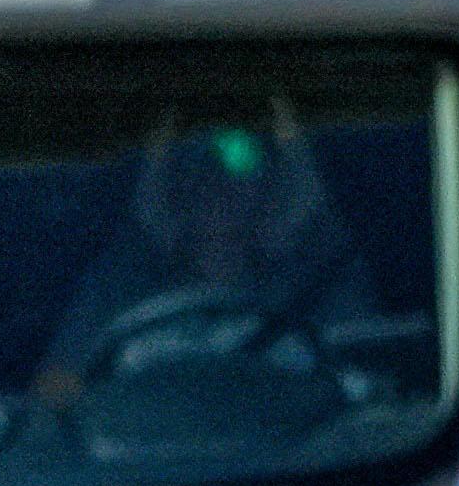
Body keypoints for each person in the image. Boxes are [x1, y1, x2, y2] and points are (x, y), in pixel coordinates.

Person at [34, 119, 364, 414]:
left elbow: (368, 383)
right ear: (173, 186)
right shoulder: (118, 288)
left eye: (238, 165)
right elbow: (56, 391)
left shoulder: (322, 283)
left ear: (271, 187)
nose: (216, 183)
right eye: (195, 165)